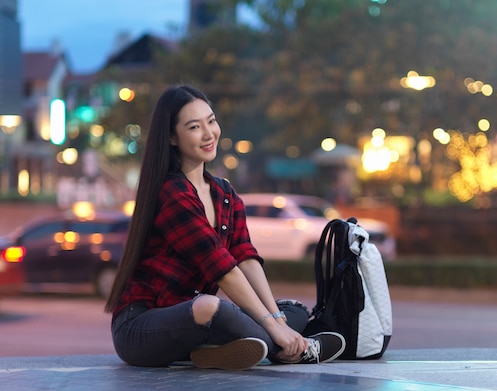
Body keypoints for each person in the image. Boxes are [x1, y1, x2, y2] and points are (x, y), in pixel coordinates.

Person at [104, 85, 345, 370]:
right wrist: (275, 327)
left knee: (294, 310)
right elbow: (221, 268)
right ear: (171, 136)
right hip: (142, 327)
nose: (209, 134)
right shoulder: (172, 193)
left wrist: (277, 319)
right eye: (194, 127)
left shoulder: (224, 193)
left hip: (195, 320)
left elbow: (244, 257)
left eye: (211, 121)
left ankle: (223, 348)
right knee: (212, 307)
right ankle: (289, 350)